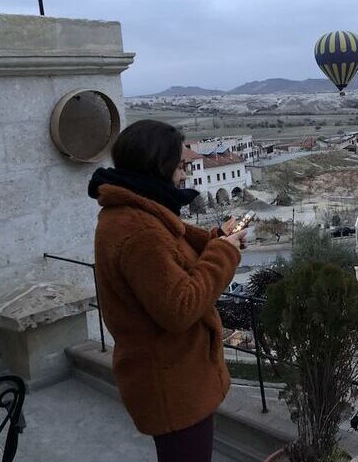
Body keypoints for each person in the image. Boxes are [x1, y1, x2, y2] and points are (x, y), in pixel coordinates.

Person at [88, 120, 246, 462]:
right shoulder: (139, 230)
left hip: (172, 375)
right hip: (173, 384)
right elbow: (180, 306)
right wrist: (225, 252)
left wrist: (217, 239)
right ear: (157, 166)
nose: (184, 175)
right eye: (179, 166)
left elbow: (172, 255)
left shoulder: (135, 212)